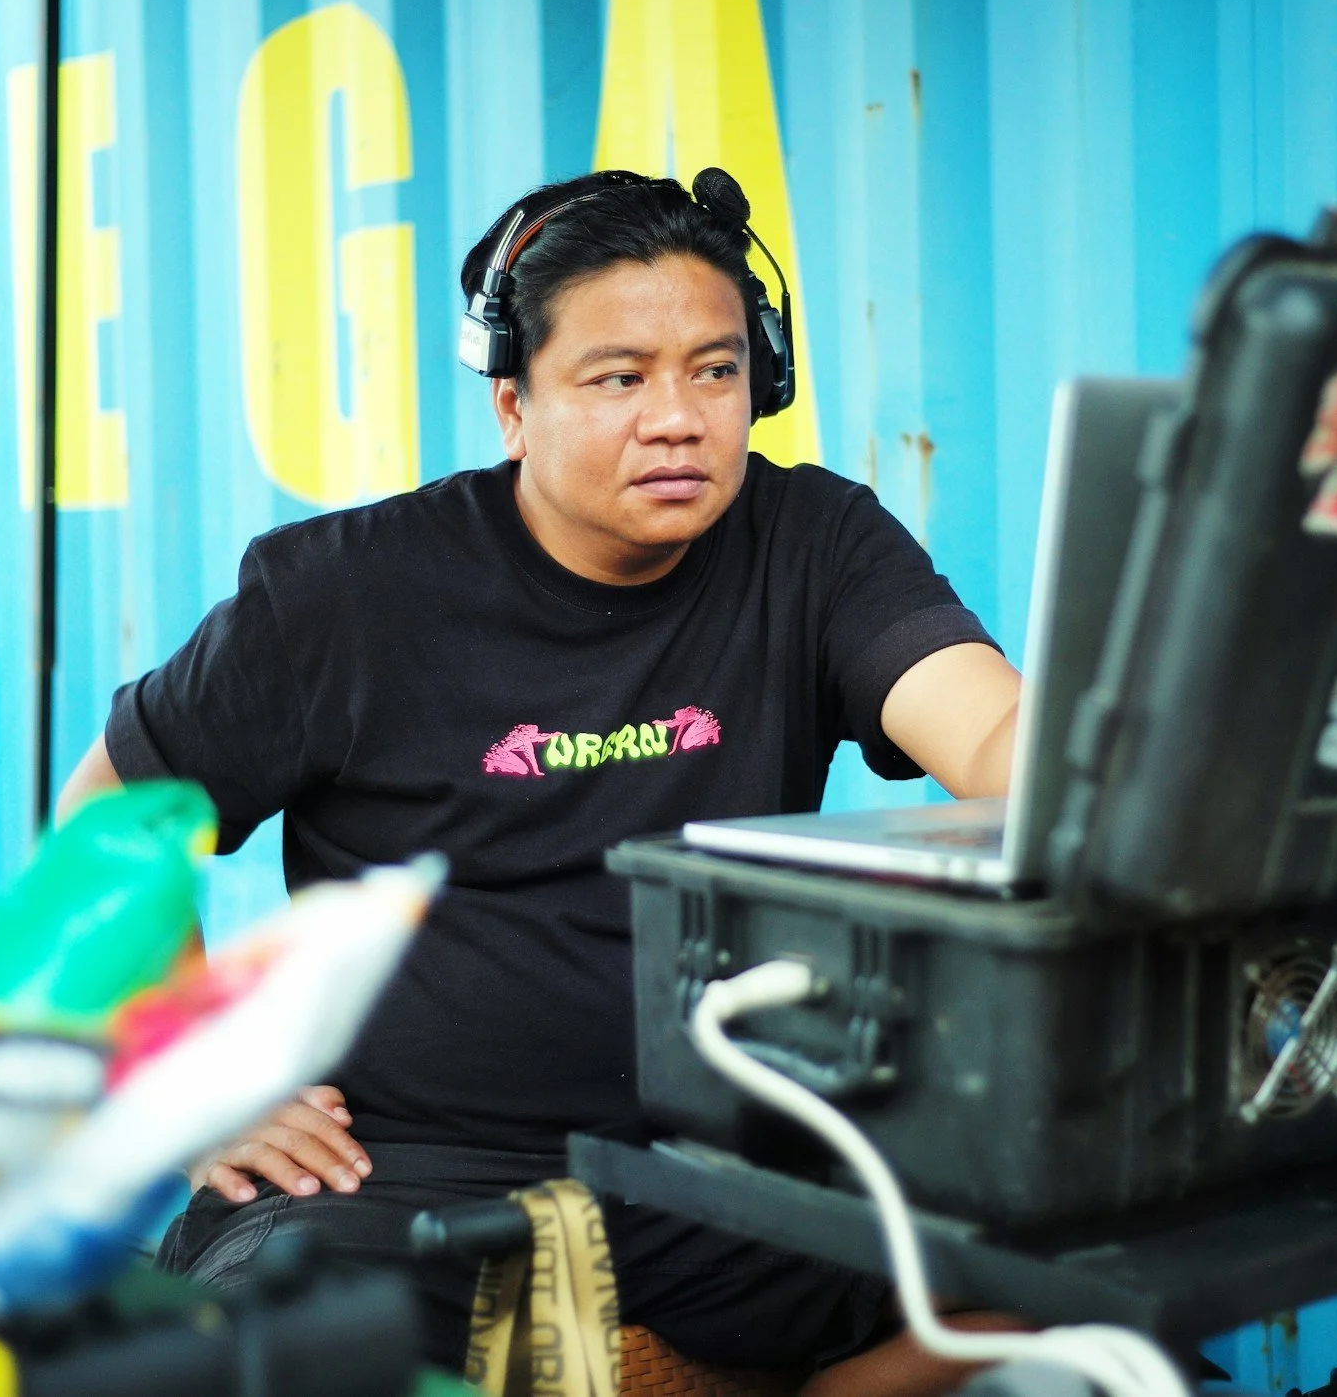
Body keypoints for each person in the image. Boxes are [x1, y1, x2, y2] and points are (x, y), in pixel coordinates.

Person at [57, 168, 1023, 1394]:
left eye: (715, 370)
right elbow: (105, 815)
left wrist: (1121, 775)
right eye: (618, 378)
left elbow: (991, 742)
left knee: (1069, 1290)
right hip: (404, 1179)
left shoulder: (814, 543)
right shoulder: (342, 594)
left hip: (716, 1168)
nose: (676, 417)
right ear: (513, 402)